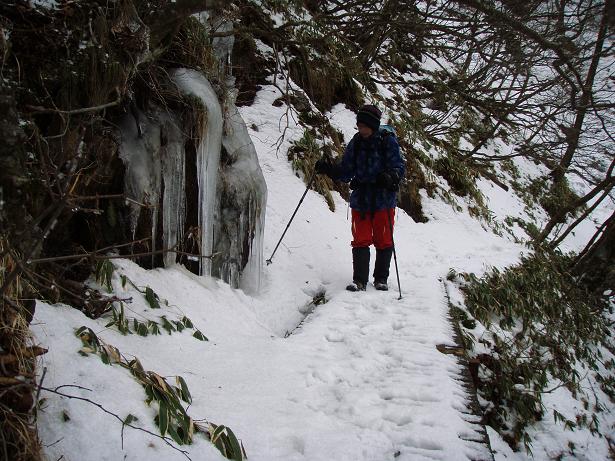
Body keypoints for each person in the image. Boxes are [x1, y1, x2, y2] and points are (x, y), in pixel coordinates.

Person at [315, 104, 405, 292]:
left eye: (364, 126)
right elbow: (346, 172)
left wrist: (390, 177)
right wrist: (328, 169)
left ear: (372, 125)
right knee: (360, 239)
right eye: (359, 126)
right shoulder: (356, 142)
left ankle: (381, 279)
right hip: (361, 199)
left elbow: (399, 167)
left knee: (384, 239)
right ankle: (360, 281)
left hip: (383, 199)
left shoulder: (387, 141)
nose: (361, 129)